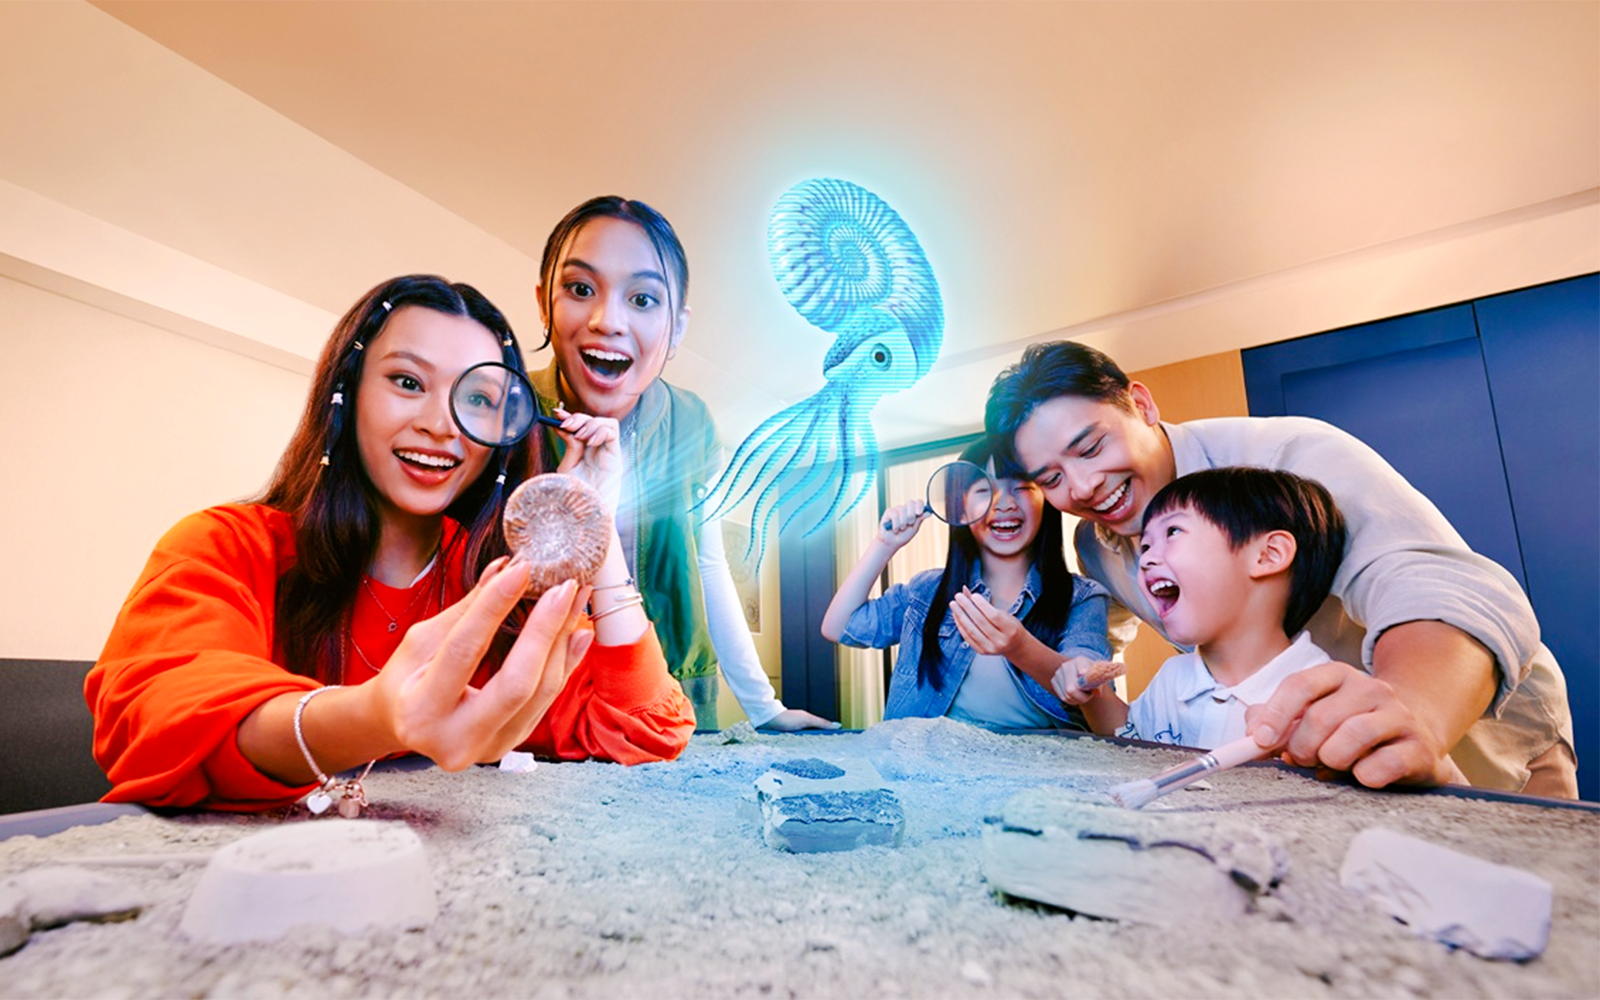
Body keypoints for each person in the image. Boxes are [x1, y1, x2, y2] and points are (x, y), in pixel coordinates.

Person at [87, 275, 695, 812]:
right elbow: (151, 723)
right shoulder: (227, 545)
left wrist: (593, 520)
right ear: (345, 395)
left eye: (478, 398)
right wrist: (375, 717)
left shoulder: (491, 586)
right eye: (407, 381)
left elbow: (644, 730)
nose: (440, 423)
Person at [986, 340, 1576, 796]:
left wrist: (1410, 709)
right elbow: (1109, 645)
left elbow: (1435, 584)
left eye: (1091, 448)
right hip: (1322, 786)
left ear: (1141, 405)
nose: (1085, 486)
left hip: (1484, 747)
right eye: (1052, 479)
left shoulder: (1290, 458)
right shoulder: (1098, 543)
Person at [529, 195, 837, 731]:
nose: (608, 321)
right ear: (543, 303)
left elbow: (709, 564)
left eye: (644, 299)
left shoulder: (692, 422)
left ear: (678, 325)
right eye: (580, 289)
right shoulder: (509, 413)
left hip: (673, 695)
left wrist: (766, 709)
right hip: (541, 702)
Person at [1059, 467, 1353, 752]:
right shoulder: (1171, 679)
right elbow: (1131, 744)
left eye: (1173, 531)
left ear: (1268, 555)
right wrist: (1092, 695)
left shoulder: (1325, 696)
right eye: (1146, 546)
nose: (1146, 560)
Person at [820, 438, 1110, 728]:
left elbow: (1084, 675)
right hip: (928, 767)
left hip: (1038, 768)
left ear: (1046, 502)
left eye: (1021, 488)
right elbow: (839, 626)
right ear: (960, 511)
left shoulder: (1083, 598)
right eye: (985, 491)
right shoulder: (927, 591)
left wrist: (1022, 647)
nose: (1005, 503)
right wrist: (884, 544)